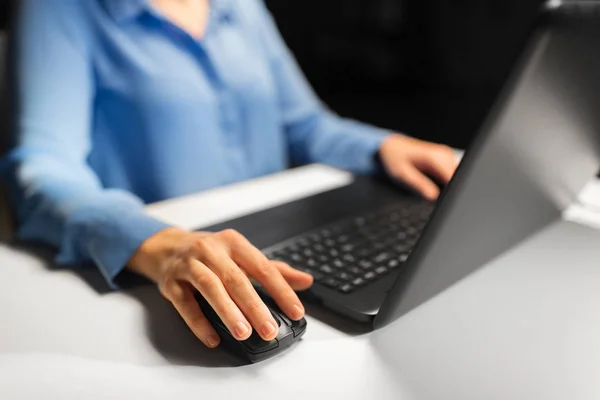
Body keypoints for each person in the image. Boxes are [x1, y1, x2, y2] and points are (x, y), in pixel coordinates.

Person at [4, 0, 458, 349]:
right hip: (177, 259)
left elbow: (304, 124)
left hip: (283, 244)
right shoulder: (59, 9)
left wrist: (383, 145)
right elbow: (44, 166)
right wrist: (156, 242)